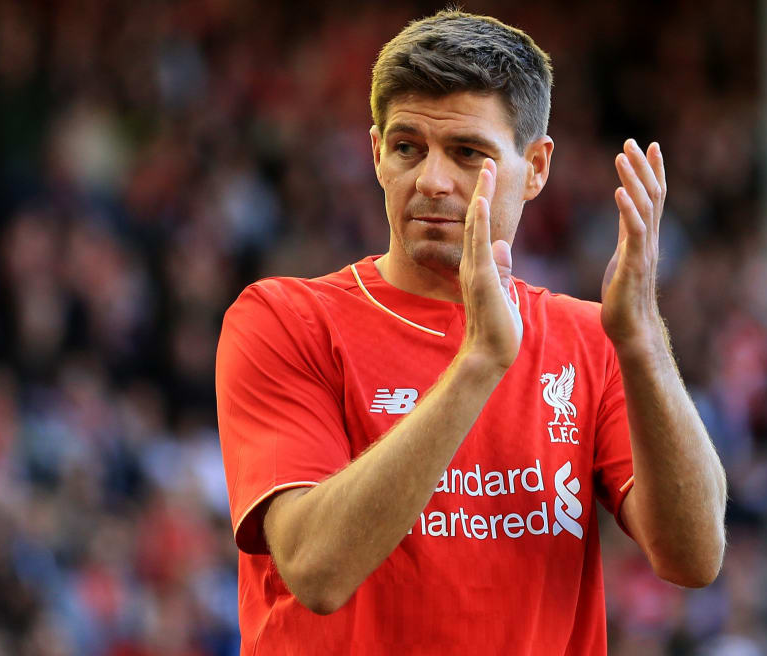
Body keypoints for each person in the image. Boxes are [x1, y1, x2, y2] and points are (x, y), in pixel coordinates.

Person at [215, 10, 726, 655]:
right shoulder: (285, 320)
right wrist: (478, 363)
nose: (430, 179)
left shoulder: (590, 340)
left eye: (467, 154)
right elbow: (316, 569)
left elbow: (694, 557)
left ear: (536, 168)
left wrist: (644, 338)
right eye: (407, 148)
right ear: (375, 154)